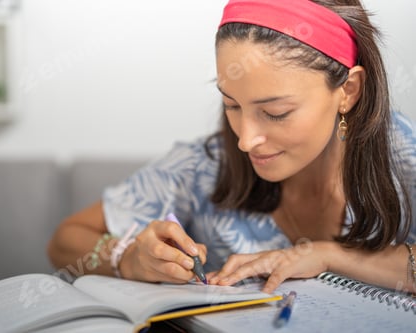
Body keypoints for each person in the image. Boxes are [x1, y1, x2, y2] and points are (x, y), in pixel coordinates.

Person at [48, 0, 416, 294]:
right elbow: (65, 240)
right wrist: (127, 257)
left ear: (348, 91)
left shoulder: (404, 155)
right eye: (232, 105)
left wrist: (329, 255)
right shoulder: (203, 165)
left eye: (275, 112)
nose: (245, 140)